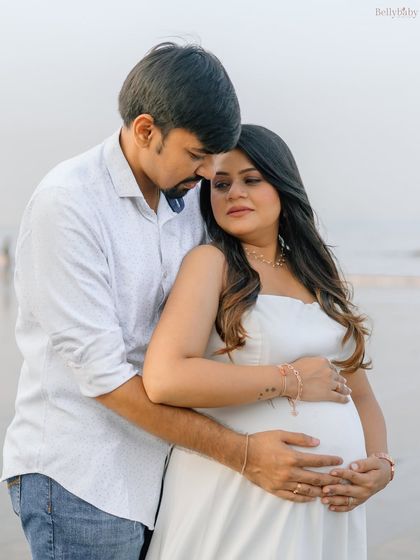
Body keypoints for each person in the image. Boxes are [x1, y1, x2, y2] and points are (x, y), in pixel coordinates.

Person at [2, 45, 351, 560]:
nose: (211, 172)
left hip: (169, 475)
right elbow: (106, 379)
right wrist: (245, 453)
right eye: (198, 155)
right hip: (84, 479)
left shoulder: (188, 199)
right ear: (146, 131)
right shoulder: (69, 205)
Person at [143, 125, 394, 560]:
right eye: (220, 184)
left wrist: (380, 465)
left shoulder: (319, 276)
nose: (233, 193)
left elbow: (361, 395)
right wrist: (290, 380)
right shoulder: (212, 263)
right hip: (243, 493)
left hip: (328, 509)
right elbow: (166, 377)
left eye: (251, 179)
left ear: (281, 184)